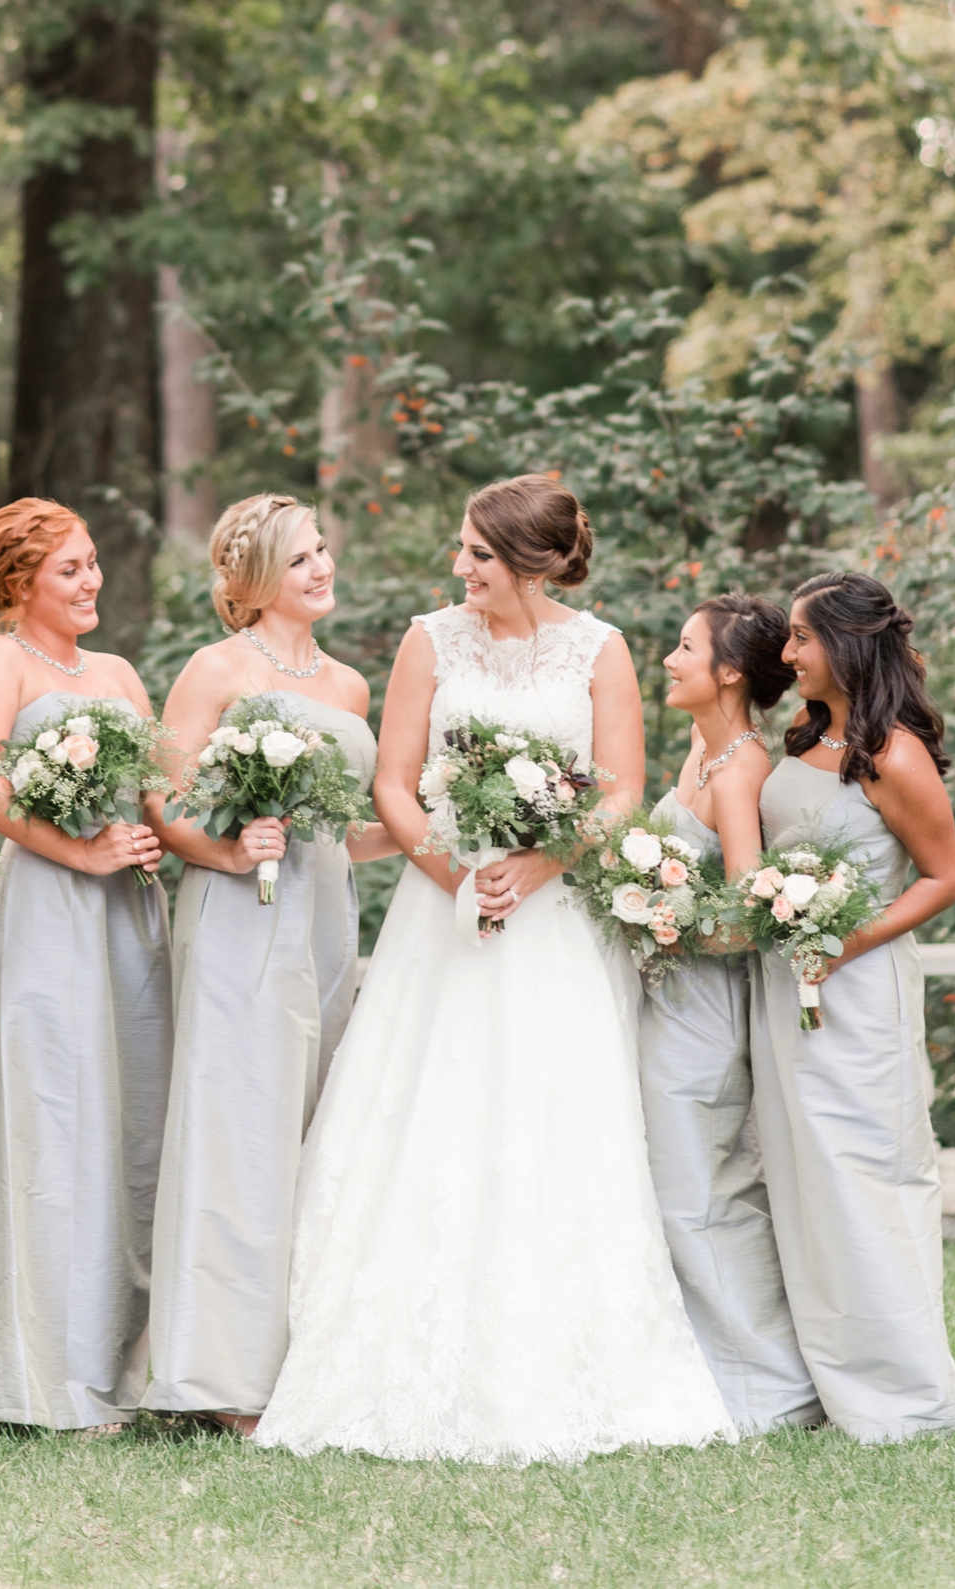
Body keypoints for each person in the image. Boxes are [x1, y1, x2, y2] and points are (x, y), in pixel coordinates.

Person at [254, 475, 733, 1463]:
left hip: (553, 919)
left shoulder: (599, 651)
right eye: (461, 549)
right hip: (444, 916)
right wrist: (451, 873)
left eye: (475, 552)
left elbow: (621, 789)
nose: (458, 567)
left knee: (555, 1113)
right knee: (426, 1108)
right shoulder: (429, 640)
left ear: (530, 560)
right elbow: (391, 781)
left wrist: (542, 861)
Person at [142, 492, 394, 1434]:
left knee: (310, 1127)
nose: (322, 567)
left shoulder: (351, 686)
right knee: (238, 1123)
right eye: (300, 558)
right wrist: (226, 848)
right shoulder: (215, 669)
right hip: (240, 919)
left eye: (324, 549)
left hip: (326, 919)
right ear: (252, 579)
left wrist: (438, 834)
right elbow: (165, 803)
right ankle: (222, 1378)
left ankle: (300, 1361)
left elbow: (342, 833)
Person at [0, 499, 172, 1432]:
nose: (92, 582)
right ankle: (33, 1375)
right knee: (46, 1117)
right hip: (48, 904)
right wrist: (76, 849)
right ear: (19, 581)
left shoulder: (118, 672)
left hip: (130, 913)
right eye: (71, 568)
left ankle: (125, 1363)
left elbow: (162, 790)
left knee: (131, 1122)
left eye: (92, 565)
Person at [750, 570, 955, 1441]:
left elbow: (945, 878)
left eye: (802, 637)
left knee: (863, 1177)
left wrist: (847, 940)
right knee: (806, 1180)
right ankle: (828, 1380)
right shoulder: (805, 738)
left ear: (845, 644)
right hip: (788, 990)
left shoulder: (893, 753)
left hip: (858, 994)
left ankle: (907, 1400)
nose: (788, 652)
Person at [638, 595, 821, 1435]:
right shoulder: (699, 750)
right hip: (663, 998)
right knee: (673, 1190)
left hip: (705, 1011)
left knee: (701, 1194)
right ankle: (703, 1370)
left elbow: (751, 913)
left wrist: (660, 919)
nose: (668, 659)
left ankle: (771, 1389)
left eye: (684, 647)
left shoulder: (744, 769)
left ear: (729, 672)